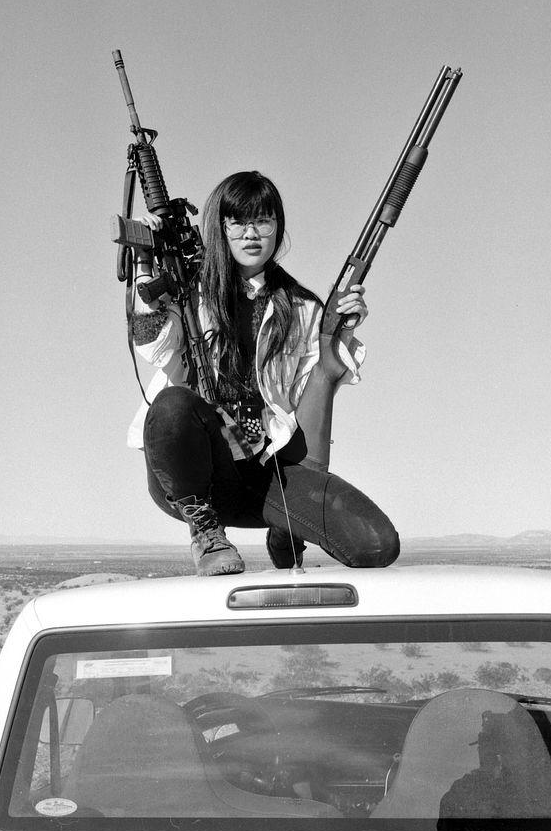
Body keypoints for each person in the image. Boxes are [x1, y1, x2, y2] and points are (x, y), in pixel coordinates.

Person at [126, 170, 399, 576]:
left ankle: (283, 528)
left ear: (278, 227)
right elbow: (152, 346)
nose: (251, 233)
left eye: (263, 220)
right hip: (194, 478)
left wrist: (339, 337)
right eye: (238, 221)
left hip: (264, 471)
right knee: (171, 405)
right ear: (220, 228)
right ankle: (207, 533)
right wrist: (146, 265)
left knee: (376, 545)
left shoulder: (302, 307)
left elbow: (317, 391)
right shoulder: (189, 292)